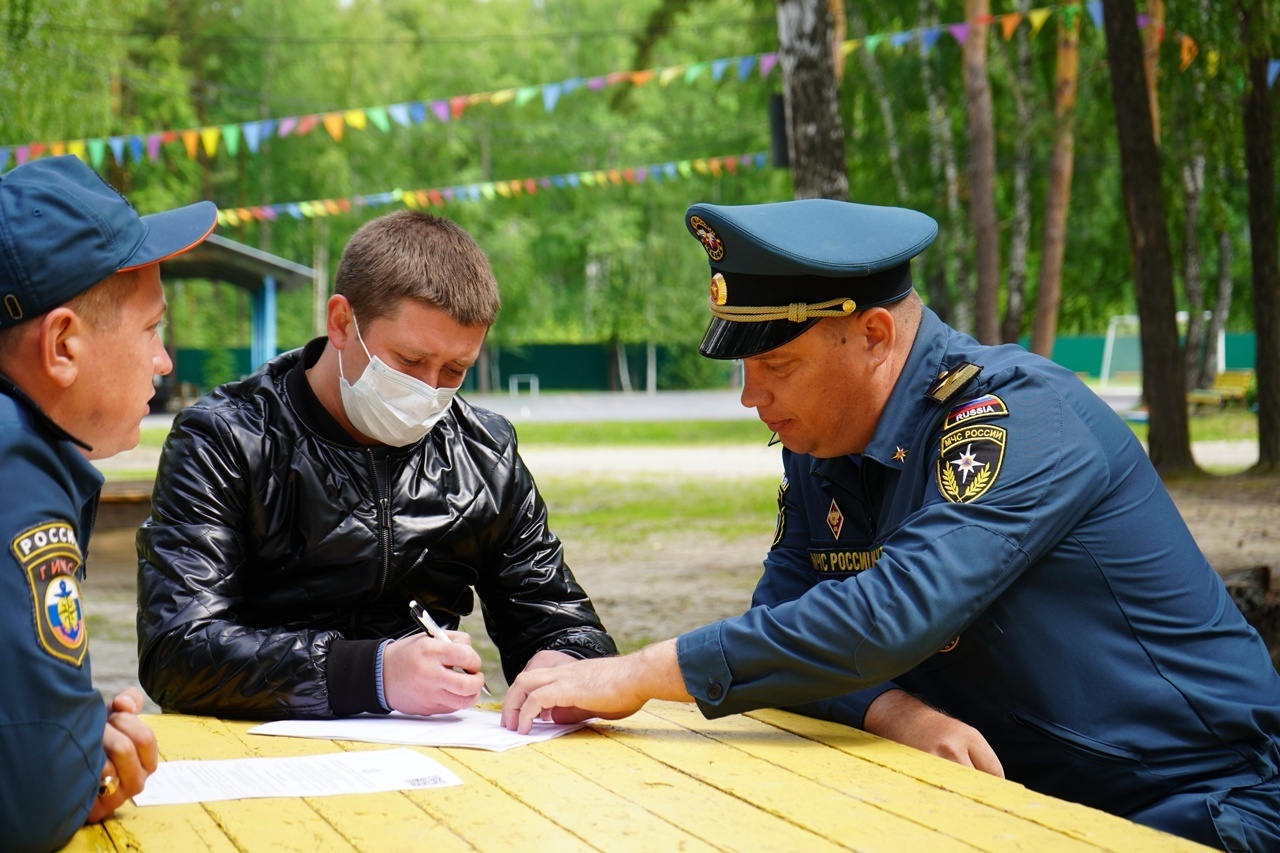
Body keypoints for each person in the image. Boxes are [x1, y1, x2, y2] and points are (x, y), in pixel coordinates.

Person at [502, 199, 1280, 851]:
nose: (751, 398)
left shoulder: (1014, 417)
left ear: (875, 335)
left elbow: (889, 615)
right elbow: (785, 626)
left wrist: (636, 672)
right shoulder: (826, 444)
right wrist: (889, 708)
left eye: (778, 367)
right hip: (1025, 806)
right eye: (745, 369)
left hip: (1201, 803)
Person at [137, 209, 616, 720]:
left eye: (456, 369)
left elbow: (562, 621)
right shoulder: (225, 440)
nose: (430, 389)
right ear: (342, 322)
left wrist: (567, 666)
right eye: (409, 361)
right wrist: (371, 673)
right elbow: (176, 651)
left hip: (432, 769)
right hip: (248, 760)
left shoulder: (483, 453)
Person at [0, 155, 216, 851]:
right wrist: (86, 766)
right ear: (63, 344)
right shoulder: (15, 467)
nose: (165, 362)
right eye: (153, 328)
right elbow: (27, 801)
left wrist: (67, 728)